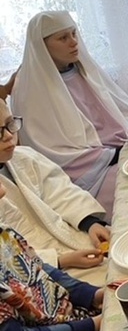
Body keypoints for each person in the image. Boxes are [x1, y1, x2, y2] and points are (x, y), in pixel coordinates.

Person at [11, 11, 128, 217]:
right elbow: (46, 151)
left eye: (74, 34)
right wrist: (112, 154)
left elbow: (120, 108)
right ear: (42, 45)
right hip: (88, 173)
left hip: (116, 150)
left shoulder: (82, 68)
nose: (73, 42)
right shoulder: (30, 86)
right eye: (63, 38)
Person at [0, 98, 109, 285]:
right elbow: (6, 256)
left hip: (75, 236)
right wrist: (60, 260)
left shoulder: (24, 157)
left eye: (10, 124)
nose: (9, 136)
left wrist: (90, 223)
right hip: (44, 271)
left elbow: (61, 192)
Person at [0, 226, 103, 331]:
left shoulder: (4, 234)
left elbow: (41, 270)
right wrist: (94, 326)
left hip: (79, 321)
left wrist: (93, 295)